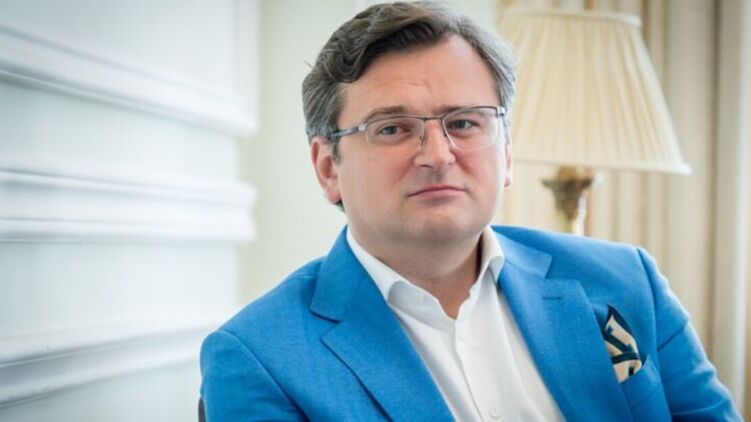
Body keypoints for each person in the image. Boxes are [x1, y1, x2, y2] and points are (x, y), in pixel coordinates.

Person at [199, 2, 740, 420]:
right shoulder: (259, 358)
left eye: (463, 122)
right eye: (393, 128)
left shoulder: (627, 281)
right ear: (327, 168)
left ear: (507, 153)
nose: (438, 155)